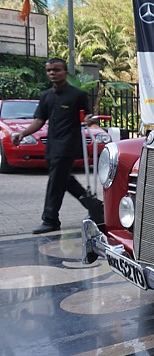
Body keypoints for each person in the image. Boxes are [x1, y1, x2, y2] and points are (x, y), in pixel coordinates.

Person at [11, 58, 104, 234]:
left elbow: (87, 116)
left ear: (65, 72)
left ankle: (50, 219)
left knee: (55, 182)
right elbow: (39, 120)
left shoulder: (77, 95)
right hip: (53, 144)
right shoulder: (46, 96)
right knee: (64, 180)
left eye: (56, 70)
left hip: (68, 144)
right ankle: (96, 208)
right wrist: (23, 134)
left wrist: (88, 120)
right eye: (49, 70)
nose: (52, 73)